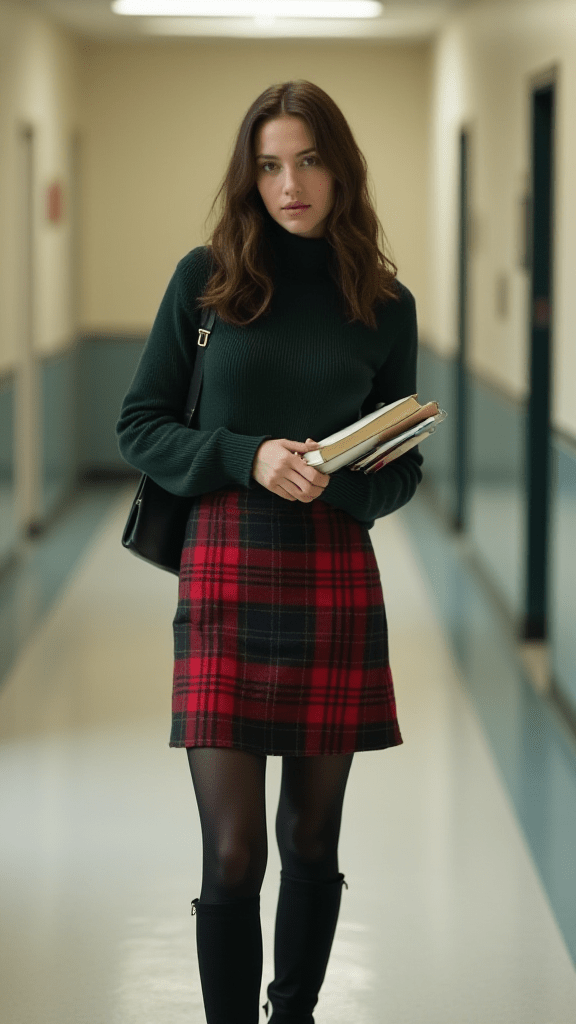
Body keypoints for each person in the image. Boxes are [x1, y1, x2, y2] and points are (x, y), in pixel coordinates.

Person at [116, 79, 423, 1024]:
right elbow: (141, 425)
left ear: (342, 170)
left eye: (309, 161)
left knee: (312, 841)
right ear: (249, 177)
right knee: (233, 851)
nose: (291, 184)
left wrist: (341, 479)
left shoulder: (384, 304)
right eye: (270, 165)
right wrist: (246, 456)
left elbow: (402, 473)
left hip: (333, 575)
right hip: (225, 570)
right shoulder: (206, 281)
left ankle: (294, 1014)